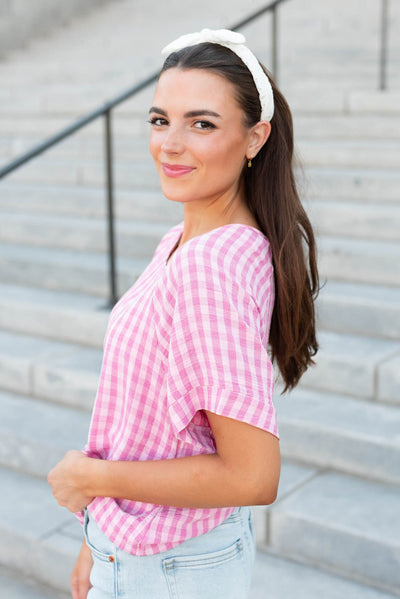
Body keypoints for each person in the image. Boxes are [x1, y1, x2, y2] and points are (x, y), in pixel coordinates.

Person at [48, 28, 319, 599]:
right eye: (158, 120)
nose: (169, 144)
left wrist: (90, 479)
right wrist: (97, 538)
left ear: (254, 138)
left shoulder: (212, 266)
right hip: (143, 546)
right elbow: (142, 418)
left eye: (201, 123)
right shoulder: (185, 240)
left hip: (167, 567)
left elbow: (252, 474)